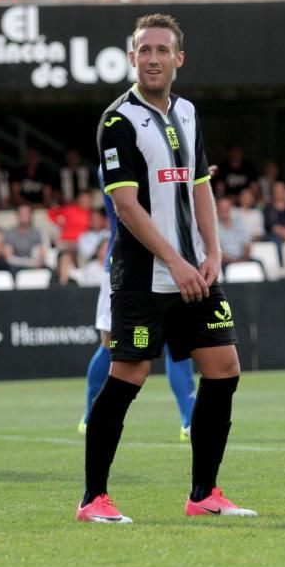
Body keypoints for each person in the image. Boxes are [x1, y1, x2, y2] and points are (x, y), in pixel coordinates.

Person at [78, 14, 256, 524]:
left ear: (179, 58)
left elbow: (201, 185)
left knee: (224, 370)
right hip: (143, 274)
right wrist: (175, 262)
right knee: (127, 376)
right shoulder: (118, 122)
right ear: (131, 58)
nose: (152, 58)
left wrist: (213, 253)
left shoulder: (189, 113)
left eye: (162, 49)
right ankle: (93, 499)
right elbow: (128, 207)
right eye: (144, 50)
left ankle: (204, 494)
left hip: (193, 272)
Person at [79, 170, 196, 442]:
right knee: (111, 345)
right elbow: (135, 203)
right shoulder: (116, 151)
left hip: (170, 264)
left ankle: (189, 420)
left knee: (179, 341)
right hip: (125, 267)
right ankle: (91, 415)